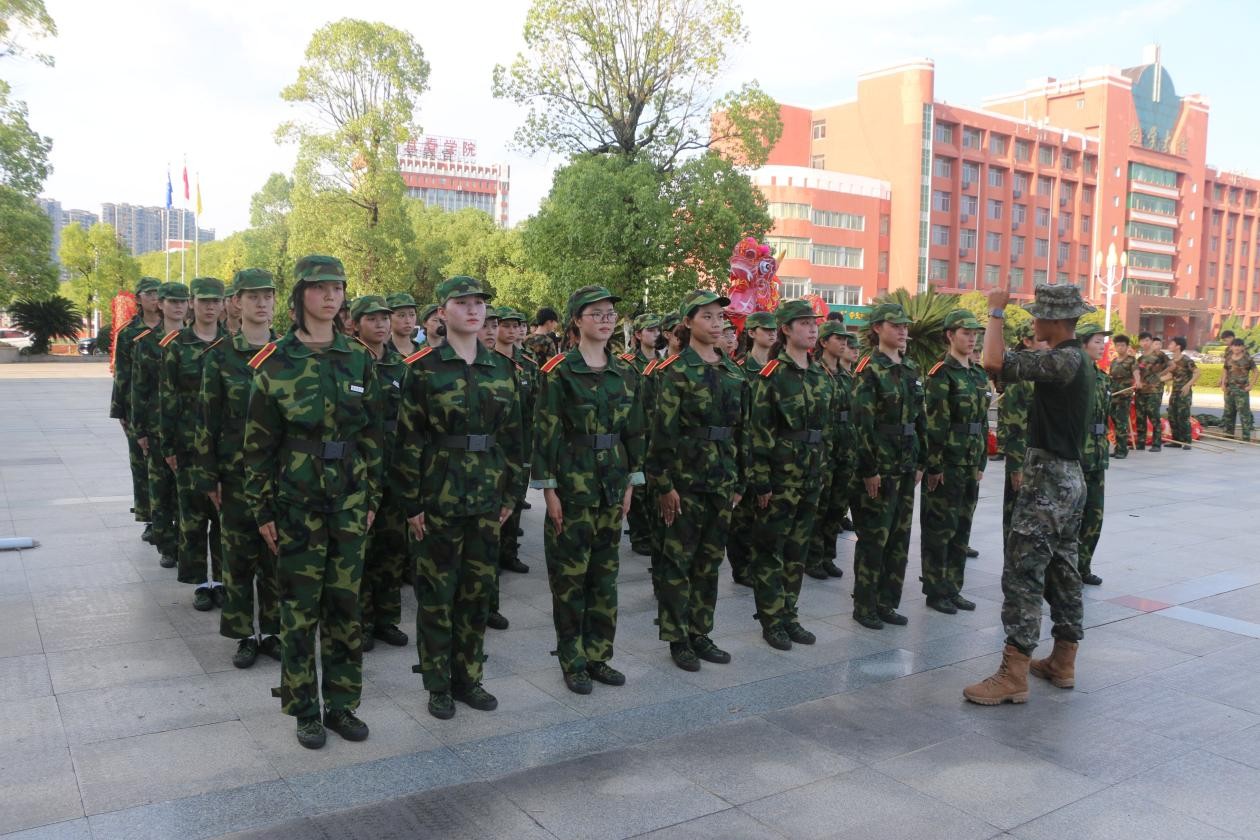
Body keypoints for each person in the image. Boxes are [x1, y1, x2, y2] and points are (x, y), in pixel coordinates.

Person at [243, 255, 383, 748]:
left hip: (349, 501)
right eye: (320, 287)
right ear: (300, 294)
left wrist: (371, 496)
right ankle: (304, 709)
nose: (331, 296)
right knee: (299, 612)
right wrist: (263, 510)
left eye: (338, 287)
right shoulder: (274, 362)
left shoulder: (358, 358)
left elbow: (372, 435)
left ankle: (341, 704)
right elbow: (257, 447)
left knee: (346, 607)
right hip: (296, 504)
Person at [394, 275, 524, 720]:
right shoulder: (423, 368)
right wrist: (411, 503)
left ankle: (469, 677)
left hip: (487, 497)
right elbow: (408, 440)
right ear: (442, 312)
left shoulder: (501, 368)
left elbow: (514, 437)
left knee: (476, 593)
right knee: (436, 596)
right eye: (463, 303)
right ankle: (437, 685)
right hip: (439, 497)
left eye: (479, 303)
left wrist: (512, 493)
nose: (473, 310)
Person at [965, 284, 1095, 706]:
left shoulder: (1064, 358)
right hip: (1069, 476)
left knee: (1023, 572)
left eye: (1039, 315)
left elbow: (993, 361)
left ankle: (1014, 673)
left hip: (1049, 479)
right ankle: (1063, 660)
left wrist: (996, 312)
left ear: (1055, 321)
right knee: (1063, 568)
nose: (1034, 321)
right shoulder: (1079, 359)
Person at [532, 286, 644, 694]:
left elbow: (634, 431)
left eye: (610, 313)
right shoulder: (559, 371)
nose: (605, 320)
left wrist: (632, 481)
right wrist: (549, 491)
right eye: (595, 313)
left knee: (605, 577)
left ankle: (599, 656)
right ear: (577, 320)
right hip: (572, 485)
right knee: (569, 579)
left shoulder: (625, 371)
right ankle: (572, 659)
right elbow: (545, 432)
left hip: (612, 484)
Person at [649, 290, 745, 672]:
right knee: (678, 561)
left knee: (710, 561)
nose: (716, 322)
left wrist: (740, 480)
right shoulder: (674, 371)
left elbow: (742, 431)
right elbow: (661, 433)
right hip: (684, 482)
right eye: (706, 316)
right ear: (688, 322)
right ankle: (677, 637)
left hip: (721, 480)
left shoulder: (733, 372)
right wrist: (663, 484)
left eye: (719, 316)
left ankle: (700, 631)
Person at [193, 269, 281, 667]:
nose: (262, 303)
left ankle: (274, 631)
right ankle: (244, 634)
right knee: (239, 558)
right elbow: (206, 420)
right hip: (235, 475)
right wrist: (208, 476)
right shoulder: (220, 356)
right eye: (253, 296)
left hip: (281, 475)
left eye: (268, 296)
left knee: (276, 556)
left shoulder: (290, 353)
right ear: (236, 303)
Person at [747, 299, 830, 650]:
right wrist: (761, 481)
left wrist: (823, 470)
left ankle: (789, 615)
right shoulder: (772, 375)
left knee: (798, 550)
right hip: (780, 477)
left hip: (810, 475)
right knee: (771, 551)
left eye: (814, 323)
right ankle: (771, 620)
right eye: (804, 323)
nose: (812, 329)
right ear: (786, 329)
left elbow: (825, 429)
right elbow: (758, 433)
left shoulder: (819, 374)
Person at [850, 303, 926, 630]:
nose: (902, 330)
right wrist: (869, 469)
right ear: (878, 328)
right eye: (896, 326)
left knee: (899, 537)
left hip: (906, 464)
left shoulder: (910, 368)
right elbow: (861, 424)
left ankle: (887, 602)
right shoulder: (869, 369)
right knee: (874, 537)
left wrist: (922, 460)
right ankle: (864, 604)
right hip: (880, 465)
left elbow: (920, 419)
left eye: (905, 326)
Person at [160, 276, 228, 610]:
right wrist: (168, 446)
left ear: (224, 304)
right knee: (192, 516)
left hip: (224, 446)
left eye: (215, 301)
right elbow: (167, 398)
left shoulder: (232, 344)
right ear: (192, 304)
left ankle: (223, 580)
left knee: (223, 516)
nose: (210, 307)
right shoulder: (177, 345)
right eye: (203, 301)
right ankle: (201, 582)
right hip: (188, 445)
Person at [351, 295, 411, 651]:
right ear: (356, 323)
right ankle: (362, 620)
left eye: (385, 319)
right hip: (359, 464)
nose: (381, 325)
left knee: (392, 545)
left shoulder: (401, 364)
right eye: (372, 319)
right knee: (362, 547)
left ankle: (387, 618)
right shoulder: (348, 361)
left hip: (395, 463)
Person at [919, 309, 987, 615]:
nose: (972, 339)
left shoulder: (977, 374)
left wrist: (981, 461)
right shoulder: (941, 374)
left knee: (962, 527)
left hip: (970, 461)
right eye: (965, 333)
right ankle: (936, 590)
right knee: (940, 528)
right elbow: (934, 426)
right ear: (950, 335)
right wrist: (934, 466)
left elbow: (982, 422)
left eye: (974, 334)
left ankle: (953, 587)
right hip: (947, 463)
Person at [131, 282, 191, 570]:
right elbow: (138, 389)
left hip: (189, 429)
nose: (178, 306)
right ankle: (167, 545)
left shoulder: (197, 341)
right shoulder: (146, 343)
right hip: (156, 429)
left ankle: (187, 543)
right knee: (160, 491)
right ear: (161, 305)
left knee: (186, 493)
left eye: (182, 301)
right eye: (172, 301)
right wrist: (140, 430)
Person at [727, 311, 776, 587]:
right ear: (752, 333)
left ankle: (758, 562)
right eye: (765, 329)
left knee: (765, 514)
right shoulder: (739, 369)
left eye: (774, 329)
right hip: (746, 448)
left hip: (770, 450)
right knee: (743, 515)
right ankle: (741, 566)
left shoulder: (778, 368)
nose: (771, 334)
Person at [111, 277, 162, 541]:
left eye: (158, 293)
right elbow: (122, 375)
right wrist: (120, 411)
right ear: (139, 298)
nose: (154, 298)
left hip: (166, 408)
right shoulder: (129, 332)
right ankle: (149, 518)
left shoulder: (175, 328)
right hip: (137, 407)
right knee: (141, 465)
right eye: (149, 293)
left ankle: (168, 516)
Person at [806, 323, 857, 581]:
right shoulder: (814, 373)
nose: (844, 343)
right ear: (824, 342)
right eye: (838, 338)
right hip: (823, 449)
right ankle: (813, 557)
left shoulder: (847, 376)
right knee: (820, 506)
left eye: (846, 339)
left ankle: (828, 556)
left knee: (837, 506)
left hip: (844, 449)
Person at [494, 307, 535, 582]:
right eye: (505, 325)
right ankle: (492, 553)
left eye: (515, 326)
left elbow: (536, 404)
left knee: (516, 497)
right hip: (495, 443)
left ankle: (509, 552)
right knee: (496, 499)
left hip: (521, 441)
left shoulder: (528, 364)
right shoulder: (489, 362)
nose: (511, 331)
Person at [621, 313, 662, 556]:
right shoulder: (627, 363)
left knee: (655, 483)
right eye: (650, 330)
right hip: (637, 432)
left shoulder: (665, 362)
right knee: (637, 484)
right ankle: (639, 535)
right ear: (638, 334)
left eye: (658, 330)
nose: (656, 334)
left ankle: (653, 531)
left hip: (658, 433)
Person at [1075, 323, 1111, 587]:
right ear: (1083, 344)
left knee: (1094, 514)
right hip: (1077, 454)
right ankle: (1066, 569)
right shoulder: (1075, 377)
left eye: (1103, 342)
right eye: (1097, 342)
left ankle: (1083, 566)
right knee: (1072, 516)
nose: (1102, 346)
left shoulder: (1103, 378)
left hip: (1097, 455)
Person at [1163, 336, 1199, 450]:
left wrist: (1188, 385)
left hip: (1184, 393)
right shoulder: (1172, 361)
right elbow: (1170, 375)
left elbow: (1197, 373)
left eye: (1171, 344)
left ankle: (1187, 441)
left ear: (1178, 346)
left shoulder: (1187, 360)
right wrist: (1156, 379)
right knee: (1172, 416)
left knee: (1183, 416)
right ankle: (1176, 441)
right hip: (1175, 392)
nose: (1169, 345)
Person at [1135, 333, 1168, 451]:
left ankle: (1156, 443)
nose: (1145, 343)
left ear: (1151, 341)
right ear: (1140, 343)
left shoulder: (1159, 355)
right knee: (1140, 417)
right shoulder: (1140, 359)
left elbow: (1172, 366)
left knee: (1153, 415)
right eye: (1142, 341)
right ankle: (1140, 443)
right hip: (1141, 391)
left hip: (1155, 391)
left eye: (1147, 340)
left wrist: (1159, 376)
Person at [1107, 335, 1140, 458]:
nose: (1120, 347)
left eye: (1122, 345)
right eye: (1118, 345)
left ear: (1127, 347)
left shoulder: (1131, 360)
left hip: (1124, 395)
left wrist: (1138, 381)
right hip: (1113, 394)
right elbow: (1110, 377)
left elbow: (1136, 372)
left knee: (1121, 422)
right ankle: (1118, 448)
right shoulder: (1114, 362)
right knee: (1115, 422)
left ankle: (1122, 450)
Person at [1221, 338, 1258, 439]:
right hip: (1229, 390)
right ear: (1231, 347)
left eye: (1239, 346)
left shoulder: (1248, 359)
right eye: (1234, 346)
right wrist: (1223, 384)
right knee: (1229, 413)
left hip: (1242, 391)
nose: (1236, 348)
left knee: (1244, 414)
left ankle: (1246, 437)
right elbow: (1225, 370)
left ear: (1242, 347)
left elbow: (1256, 372)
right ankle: (1228, 435)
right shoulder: (1228, 358)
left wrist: (1251, 386)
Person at [386, 292, 421, 356]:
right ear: (388, 318)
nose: (408, 320)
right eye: (402, 315)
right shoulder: (381, 353)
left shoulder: (423, 353)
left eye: (412, 315)